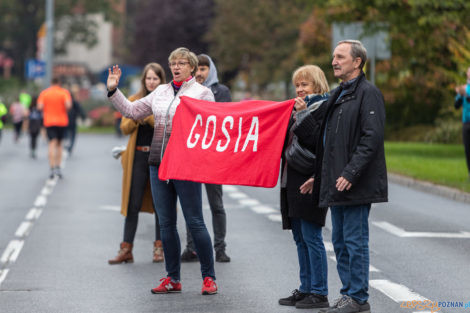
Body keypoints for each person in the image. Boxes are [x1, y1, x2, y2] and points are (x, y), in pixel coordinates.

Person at [107, 47, 218, 295]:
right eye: (173, 63)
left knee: (195, 222)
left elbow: (210, 130)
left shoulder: (203, 93)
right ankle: (172, 278)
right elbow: (132, 111)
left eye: (181, 63)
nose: (176, 67)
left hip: (186, 165)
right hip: (158, 163)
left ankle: (209, 277)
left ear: (191, 66)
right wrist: (114, 91)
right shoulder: (160, 92)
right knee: (166, 224)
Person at [314, 40, 387, 313]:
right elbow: (327, 141)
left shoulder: (368, 93)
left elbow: (372, 138)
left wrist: (351, 172)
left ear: (357, 62)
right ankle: (348, 295)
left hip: (356, 184)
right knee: (341, 243)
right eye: (333, 56)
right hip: (337, 184)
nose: (334, 61)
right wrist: (319, 176)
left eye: (340, 57)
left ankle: (359, 298)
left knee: (355, 243)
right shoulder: (339, 93)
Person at [278, 65, 330, 309]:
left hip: (310, 180)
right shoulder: (295, 109)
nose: (299, 89)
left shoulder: (324, 108)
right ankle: (306, 288)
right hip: (292, 180)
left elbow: (317, 143)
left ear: (317, 85)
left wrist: (301, 115)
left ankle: (319, 292)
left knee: (312, 237)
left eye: (304, 84)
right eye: (297, 85)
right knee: (300, 237)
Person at [108, 63, 166, 265]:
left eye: (155, 78)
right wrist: (136, 117)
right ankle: (126, 249)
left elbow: (166, 124)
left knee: (162, 206)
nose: (151, 82)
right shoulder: (134, 100)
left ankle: (160, 248)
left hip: (160, 158)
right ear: (144, 80)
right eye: (149, 78)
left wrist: (147, 117)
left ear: (161, 80)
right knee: (132, 204)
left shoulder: (167, 100)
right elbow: (124, 127)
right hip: (138, 158)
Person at [181, 54, 231, 263]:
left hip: (213, 158)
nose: (200, 73)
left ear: (211, 70)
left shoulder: (221, 92)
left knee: (216, 204)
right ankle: (191, 247)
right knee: (192, 205)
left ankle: (220, 247)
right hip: (192, 156)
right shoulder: (186, 91)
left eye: (204, 69)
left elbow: (225, 120)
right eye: (197, 69)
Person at [37, 77, 72, 179]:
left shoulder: (45, 93)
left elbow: (39, 107)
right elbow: (68, 105)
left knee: (51, 144)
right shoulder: (64, 92)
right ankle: (58, 167)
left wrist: (48, 108)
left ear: (51, 82)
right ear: (59, 83)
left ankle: (52, 168)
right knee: (60, 144)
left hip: (49, 121)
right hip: (62, 121)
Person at [454, 66, 470, 177]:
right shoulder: (464, 88)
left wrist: (467, 95)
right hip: (466, 122)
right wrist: (460, 95)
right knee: (468, 149)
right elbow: (456, 105)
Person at [65, 86, 86, 154]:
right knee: (73, 134)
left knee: (67, 133)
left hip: (66, 120)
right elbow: (80, 110)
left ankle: (68, 144)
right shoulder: (75, 102)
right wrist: (83, 117)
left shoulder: (66, 101)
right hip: (72, 120)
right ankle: (70, 146)